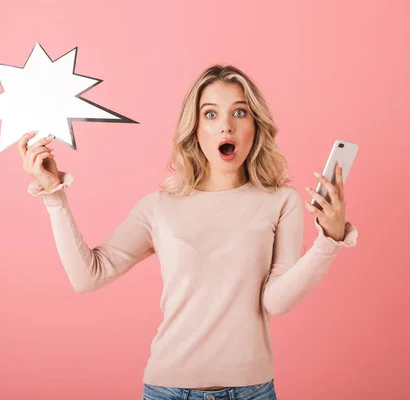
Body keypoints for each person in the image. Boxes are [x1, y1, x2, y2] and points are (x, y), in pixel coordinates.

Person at [18, 65, 358, 400]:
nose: (226, 125)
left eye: (239, 112)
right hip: (168, 390)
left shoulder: (281, 202)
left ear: (255, 125)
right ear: (195, 128)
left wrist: (329, 240)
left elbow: (276, 301)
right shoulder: (160, 206)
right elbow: (87, 277)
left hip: (251, 391)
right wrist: (54, 196)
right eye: (210, 114)